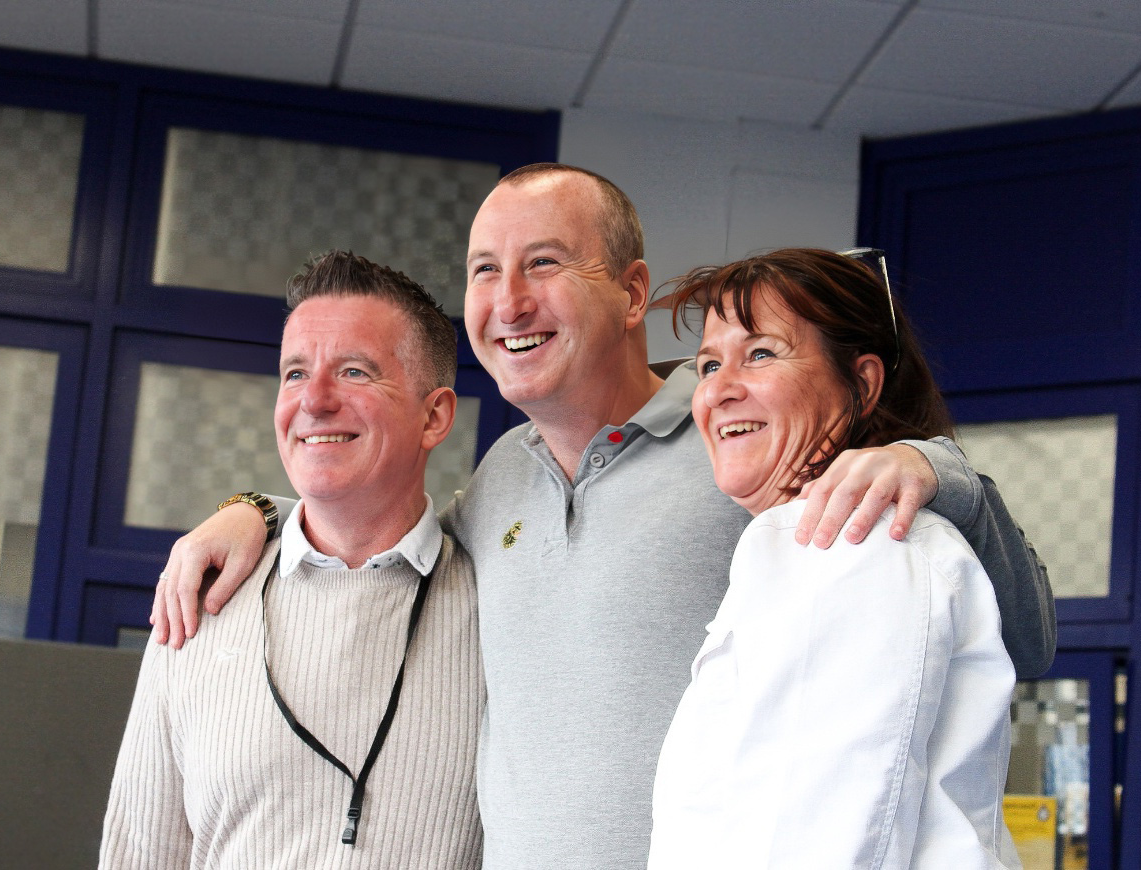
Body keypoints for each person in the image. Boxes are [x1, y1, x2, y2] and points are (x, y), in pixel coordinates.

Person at [150, 165, 1053, 869]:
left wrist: (933, 470)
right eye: (484, 270)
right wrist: (258, 514)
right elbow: (382, 534)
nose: (508, 301)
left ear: (631, 293)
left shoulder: (747, 449)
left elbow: (1011, 634)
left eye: (544, 262)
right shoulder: (500, 481)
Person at [100, 251, 483, 869]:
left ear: (434, 415)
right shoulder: (201, 598)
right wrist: (254, 509)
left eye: (355, 372)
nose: (315, 401)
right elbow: (138, 854)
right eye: (295, 373)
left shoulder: (499, 602)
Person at [650, 248, 1018, 868]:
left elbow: (831, 837)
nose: (719, 389)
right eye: (709, 363)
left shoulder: (860, 542)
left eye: (761, 353)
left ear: (863, 382)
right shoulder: (794, 547)